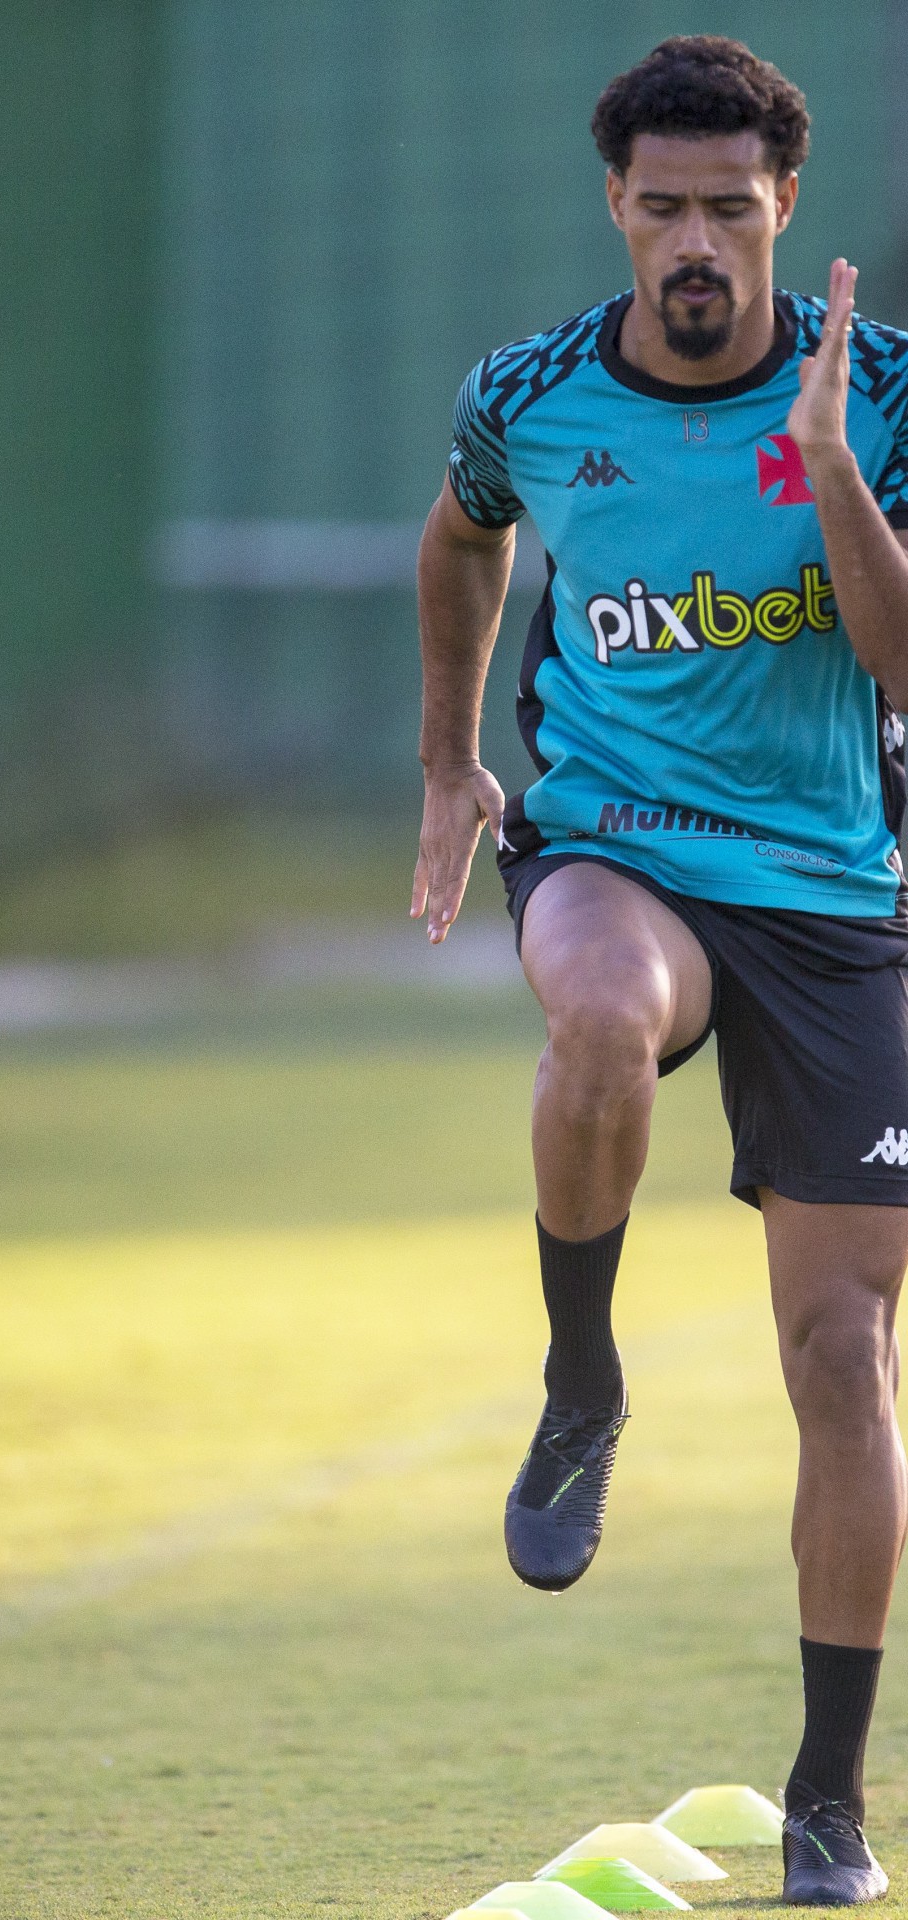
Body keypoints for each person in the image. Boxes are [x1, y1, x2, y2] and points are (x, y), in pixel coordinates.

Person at [412, 35, 908, 1908]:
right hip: (615, 842)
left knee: (845, 1356)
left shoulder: (889, 395)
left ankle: (830, 1802)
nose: (695, 237)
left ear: (786, 204)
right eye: (662, 205)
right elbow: (462, 544)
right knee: (599, 1016)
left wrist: (840, 471)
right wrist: (450, 759)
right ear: (615, 205)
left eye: (730, 205)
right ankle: (581, 1381)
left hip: (840, 894)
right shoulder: (529, 393)